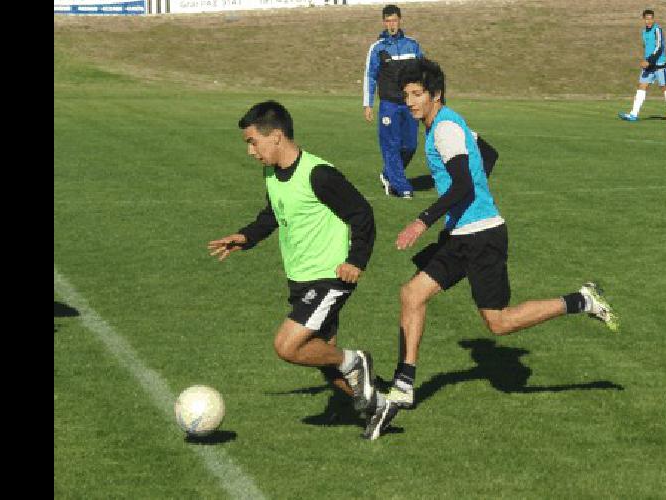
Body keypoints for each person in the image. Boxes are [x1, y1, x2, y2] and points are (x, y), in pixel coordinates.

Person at [361, 58, 620, 441]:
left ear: (436, 95)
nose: (410, 102)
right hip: (461, 235)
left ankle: (580, 300)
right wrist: (468, 199)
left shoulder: (445, 129)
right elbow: (489, 156)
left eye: (417, 95)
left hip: (483, 237)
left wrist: (424, 219)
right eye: (406, 95)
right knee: (412, 294)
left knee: (498, 323)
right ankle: (404, 383)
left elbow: (464, 185)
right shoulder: (443, 123)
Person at [208, 100, 385, 422]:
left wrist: (356, 260)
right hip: (300, 279)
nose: (250, 151)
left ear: (275, 136)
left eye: (253, 142)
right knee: (321, 359)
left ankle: (356, 360)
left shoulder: (318, 174)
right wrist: (245, 237)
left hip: (329, 277)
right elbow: (274, 213)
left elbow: (361, 212)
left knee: (288, 347)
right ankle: (380, 406)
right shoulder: (272, 174)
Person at [363, 4, 424, 199]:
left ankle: (388, 174)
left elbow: (423, 72)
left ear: (400, 20)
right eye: (388, 21)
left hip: (409, 104)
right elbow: (370, 77)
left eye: (394, 20)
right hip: (389, 104)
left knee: (410, 145)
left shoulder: (412, 45)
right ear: (384, 22)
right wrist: (368, 104)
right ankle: (401, 186)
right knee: (391, 144)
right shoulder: (377, 48)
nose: (392, 24)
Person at [618, 8, 666, 122]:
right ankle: (633, 114)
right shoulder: (644, 32)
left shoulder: (658, 30)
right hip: (649, 66)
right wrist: (646, 61)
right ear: (643, 19)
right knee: (641, 86)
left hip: (659, 65)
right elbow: (647, 48)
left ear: (653, 19)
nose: (649, 21)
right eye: (646, 19)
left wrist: (649, 60)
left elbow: (659, 48)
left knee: (665, 88)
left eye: (651, 19)